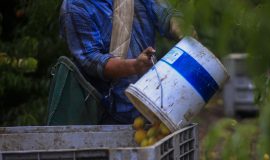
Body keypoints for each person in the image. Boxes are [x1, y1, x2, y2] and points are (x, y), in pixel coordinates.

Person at [59, 0, 188, 124]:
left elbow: (164, 12)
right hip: (113, 114)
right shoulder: (76, 7)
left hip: (158, 101)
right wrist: (134, 66)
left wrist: (179, 26)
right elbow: (92, 61)